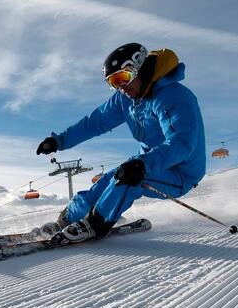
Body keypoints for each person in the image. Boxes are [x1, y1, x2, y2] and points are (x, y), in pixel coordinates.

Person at [36, 42, 206, 241]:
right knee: (106, 181)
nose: (121, 87)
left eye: (122, 78)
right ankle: (65, 221)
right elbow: (95, 122)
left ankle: (94, 225)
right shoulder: (127, 99)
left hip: (180, 172)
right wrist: (59, 141)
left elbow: (181, 143)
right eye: (113, 82)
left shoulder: (173, 97)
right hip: (145, 163)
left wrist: (143, 164)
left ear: (139, 69)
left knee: (128, 179)